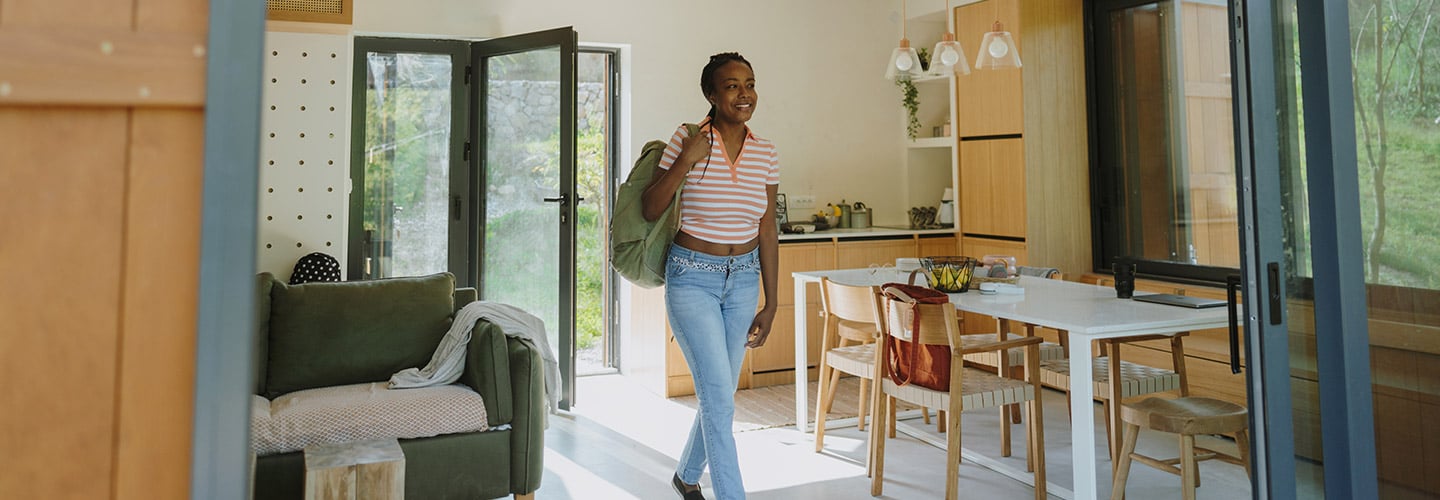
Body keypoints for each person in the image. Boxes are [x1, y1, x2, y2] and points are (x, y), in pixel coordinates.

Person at [641, 52, 779, 500]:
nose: (745, 94)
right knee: (719, 399)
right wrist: (686, 160)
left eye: (750, 83)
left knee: (718, 396)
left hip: (742, 280)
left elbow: (767, 228)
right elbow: (650, 207)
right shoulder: (688, 138)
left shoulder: (765, 152)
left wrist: (771, 301)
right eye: (732, 85)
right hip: (692, 279)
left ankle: (686, 476)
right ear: (711, 94)